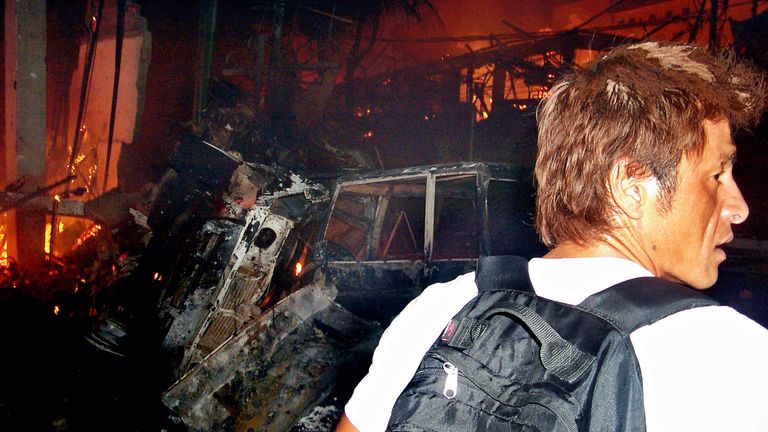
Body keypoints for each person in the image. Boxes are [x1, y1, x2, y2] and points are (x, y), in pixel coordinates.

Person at [336, 41, 768, 432]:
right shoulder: (721, 357)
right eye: (717, 174)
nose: (738, 206)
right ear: (632, 185)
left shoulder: (440, 311)